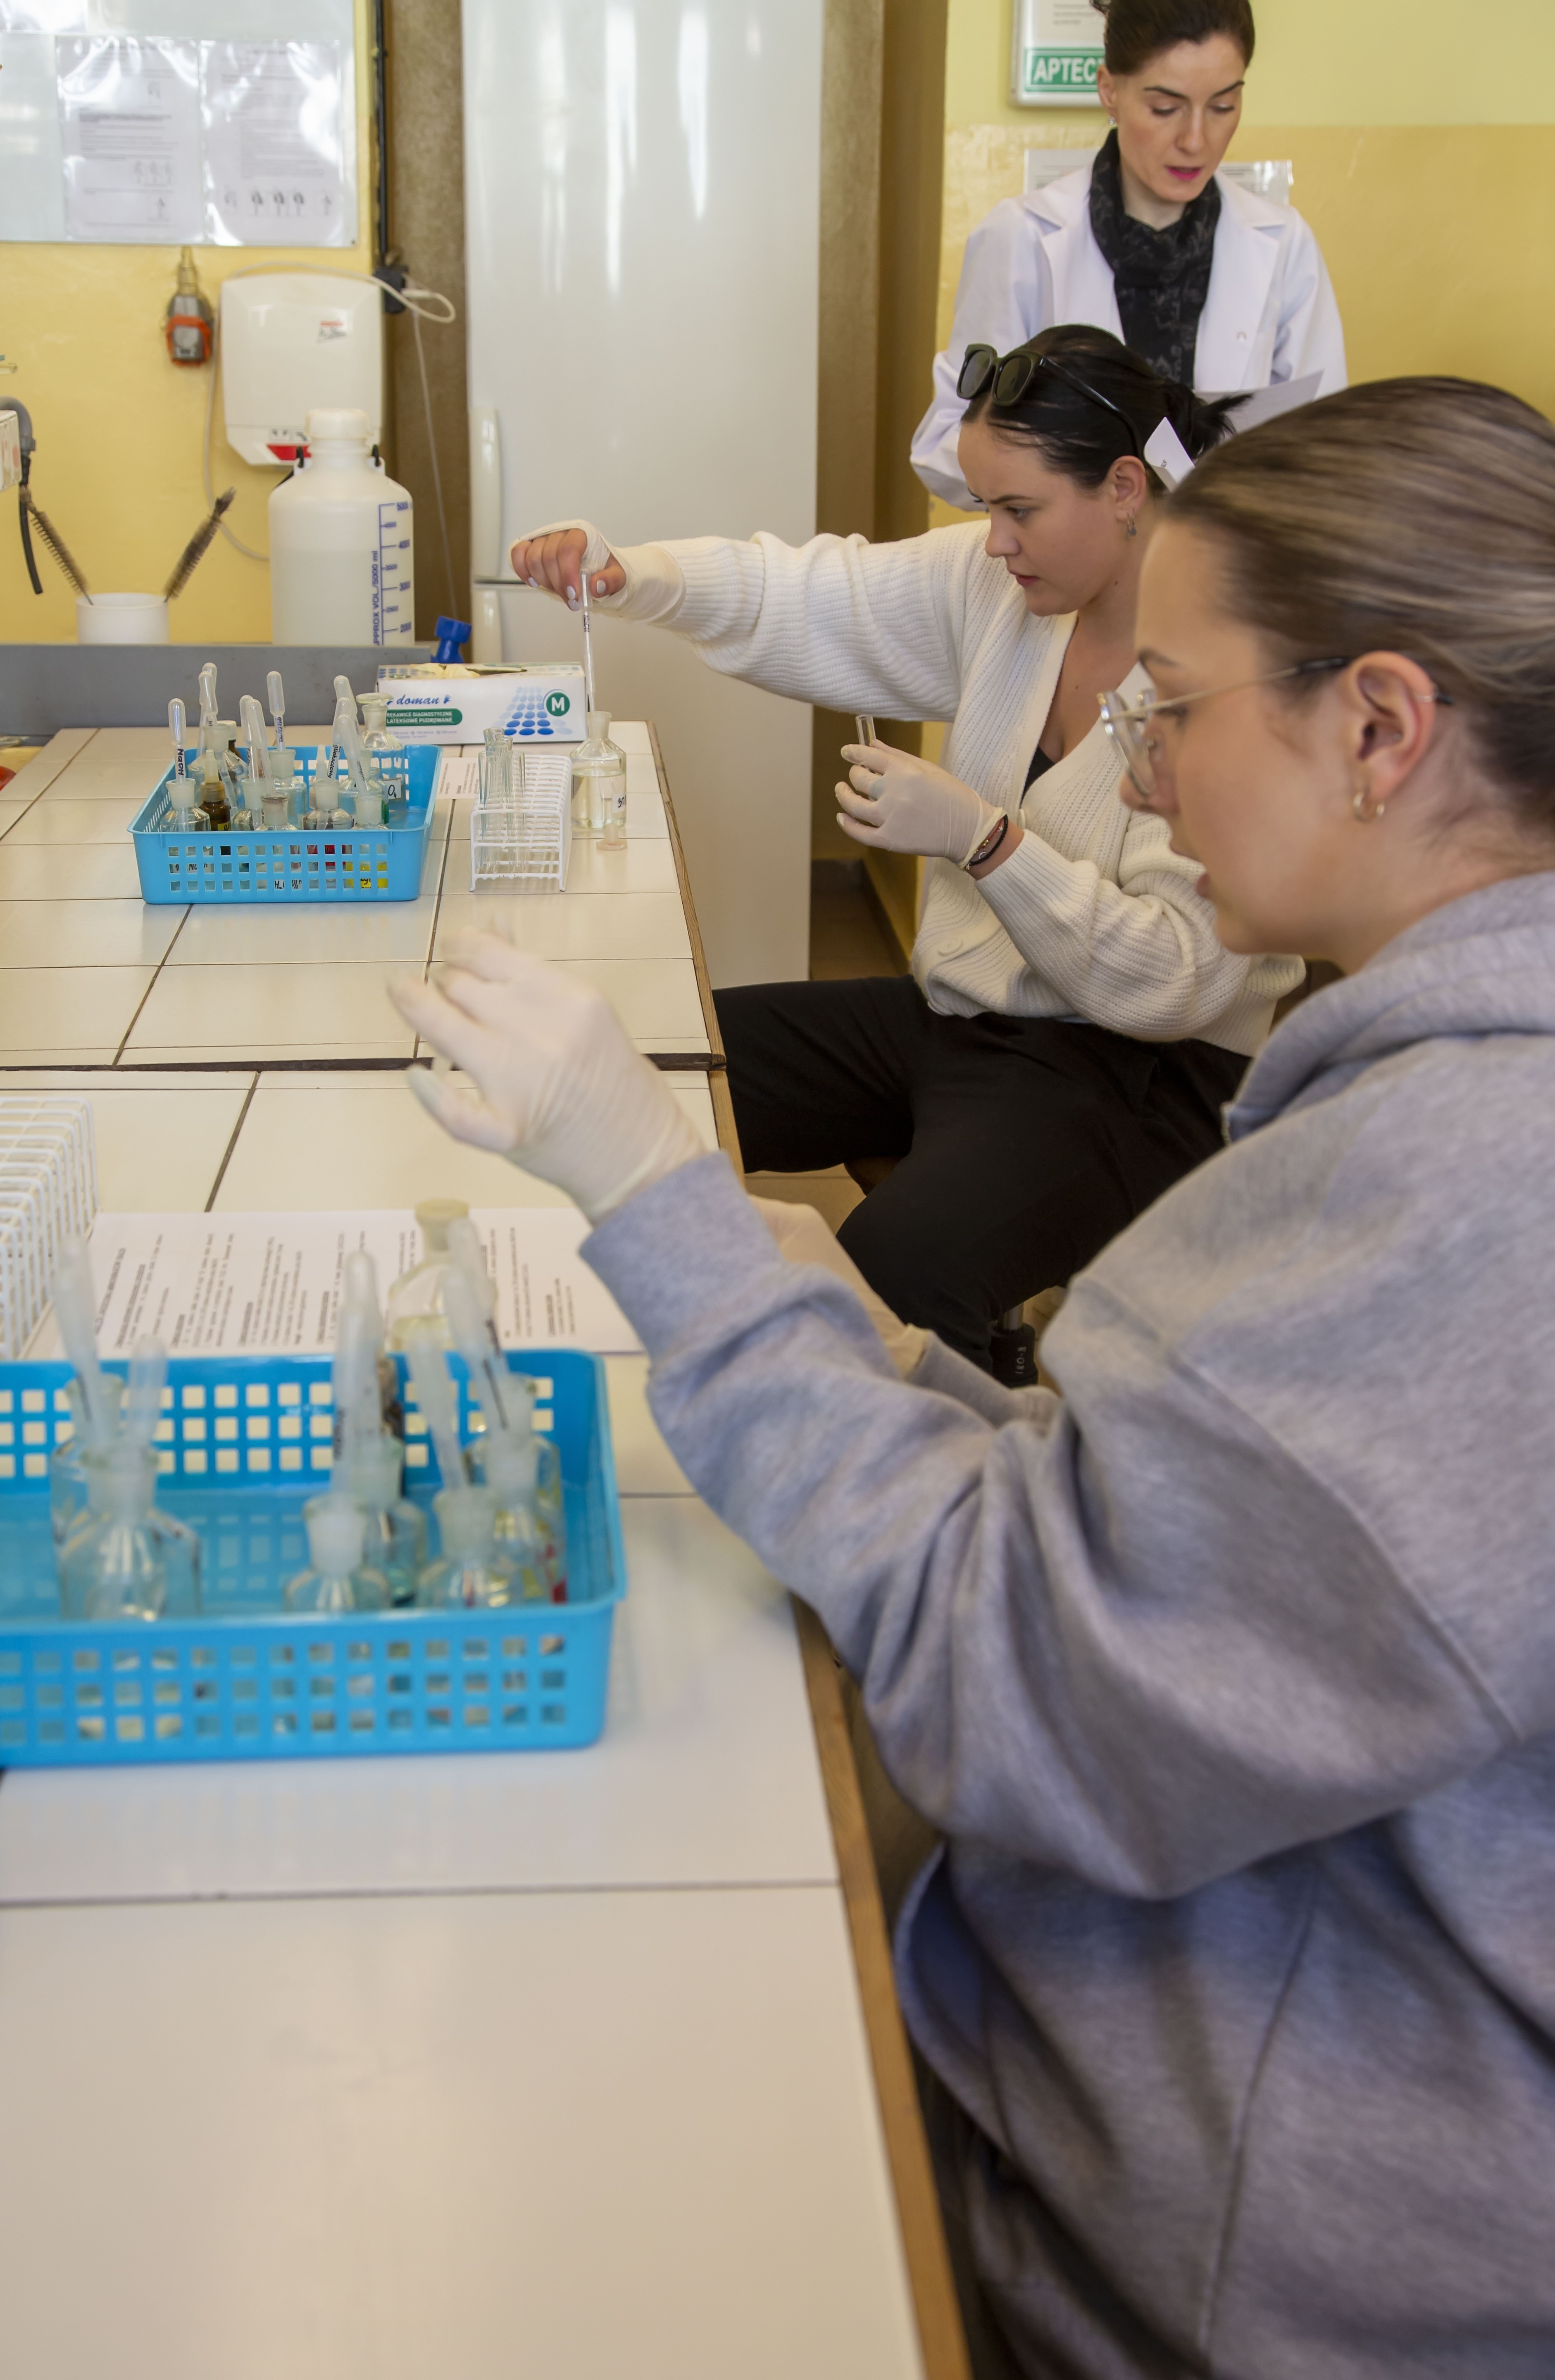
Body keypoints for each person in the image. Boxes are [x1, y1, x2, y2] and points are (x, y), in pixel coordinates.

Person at [394, 375, 1555, 2378]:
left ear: (1379, 726)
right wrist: (881, 1353)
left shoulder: (1463, 1184)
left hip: (1213, 2262)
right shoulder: (1438, 1101)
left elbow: (1006, 1685)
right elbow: (1217, 1535)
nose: (1148, 776)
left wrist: (669, 1219)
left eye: (1170, 712)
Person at [507, 326, 1299, 1371]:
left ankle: (969, 1430)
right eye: (983, 508)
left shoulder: (1240, 662)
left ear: (1122, 486)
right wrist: (631, 574)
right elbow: (809, 590)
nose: (994, 541)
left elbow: (1178, 982)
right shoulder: (1009, 588)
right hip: (966, 1012)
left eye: (1018, 509)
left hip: (1137, 1074)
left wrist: (986, 842)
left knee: (886, 1274)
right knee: (644, 1068)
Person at [912, 0, 1345, 510]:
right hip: (1069, 556)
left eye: (1223, 107)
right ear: (1109, 91)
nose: (1195, 140)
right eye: (1165, 108)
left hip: (1224, 546)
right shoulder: (1022, 236)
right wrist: (1063, 470)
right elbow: (944, 442)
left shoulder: (1283, 243)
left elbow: (1326, 443)